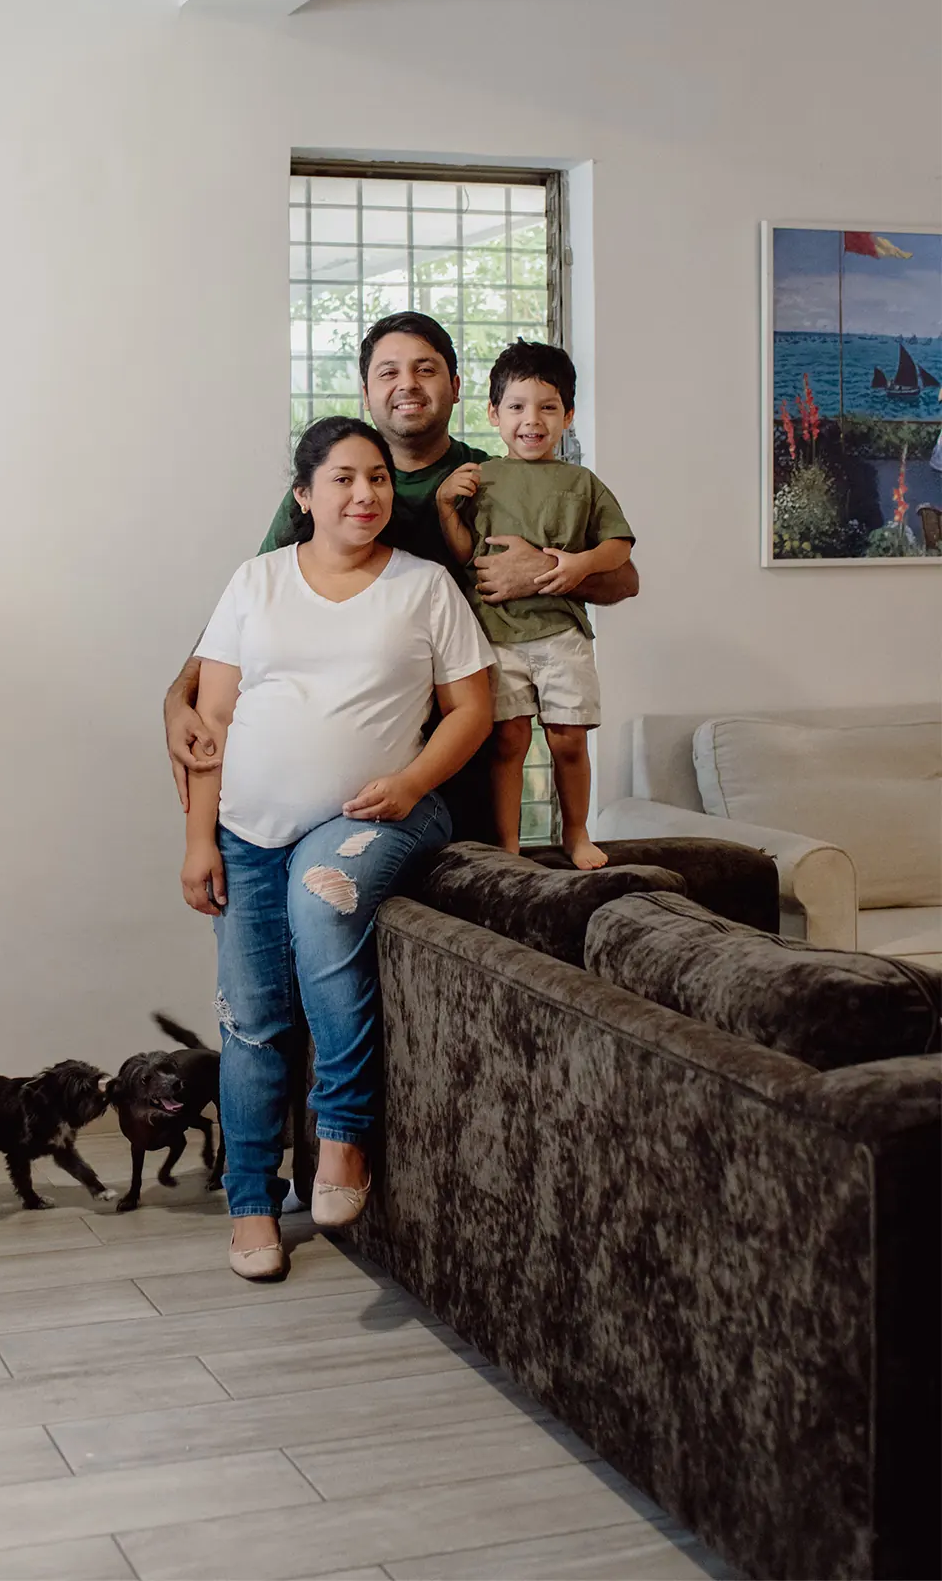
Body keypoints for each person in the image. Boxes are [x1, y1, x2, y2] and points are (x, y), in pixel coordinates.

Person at [180, 416, 493, 1281]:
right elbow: (211, 721)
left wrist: (414, 782)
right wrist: (200, 838)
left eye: (379, 478)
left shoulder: (426, 587)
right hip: (246, 832)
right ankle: (251, 1204)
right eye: (345, 479)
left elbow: (473, 709)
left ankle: (343, 1135)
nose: (365, 494)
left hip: (379, 815)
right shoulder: (256, 582)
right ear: (305, 495)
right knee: (251, 1021)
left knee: (322, 902)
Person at [164, 312, 640, 822]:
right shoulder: (328, 491)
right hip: (348, 767)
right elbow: (249, 605)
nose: (407, 384)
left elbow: (624, 579)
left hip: (467, 758)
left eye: (425, 369)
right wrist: (179, 696)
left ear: (456, 387)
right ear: (366, 393)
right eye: (388, 372)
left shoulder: (495, 478)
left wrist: (542, 570)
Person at [436, 340, 633, 870]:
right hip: (497, 633)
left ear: (568, 415)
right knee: (509, 741)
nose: (532, 420)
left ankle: (577, 833)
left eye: (548, 407)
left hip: (563, 634)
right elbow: (467, 556)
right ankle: (508, 843)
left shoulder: (582, 482)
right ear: (493, 414)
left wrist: (580, 565)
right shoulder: (480, 477)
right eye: (517, 407)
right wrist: (446, 507)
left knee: (569, 740)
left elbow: (619, 546)